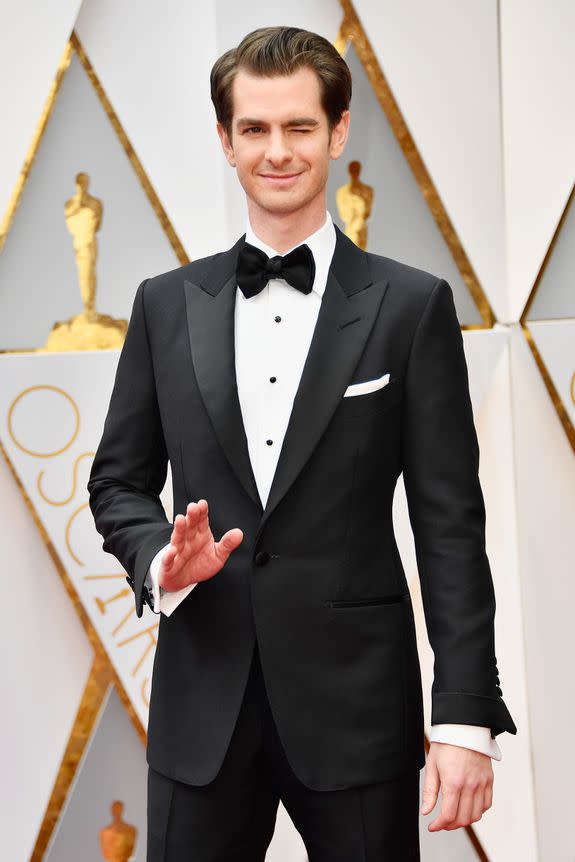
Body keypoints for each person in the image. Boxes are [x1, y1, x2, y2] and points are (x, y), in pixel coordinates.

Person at [87, 26, 517, 862]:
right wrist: (158, 564)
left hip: (357, 714)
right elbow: (118, 483)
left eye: (298, 128)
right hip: (200, 710)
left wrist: (463, 714)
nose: (276, 151)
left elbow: (450, 528)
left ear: (338, 130)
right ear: (224, 139)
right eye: (254, 129)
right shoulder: (163, 305)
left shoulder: (410, 306)